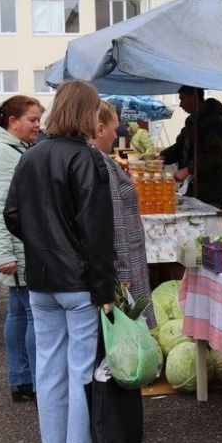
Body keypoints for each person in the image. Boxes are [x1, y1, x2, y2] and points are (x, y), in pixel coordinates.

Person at [4, 80, 116, 443]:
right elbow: (98, 232)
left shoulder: (30, 156)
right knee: (81, 375)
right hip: (79, 282)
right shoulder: (87, 159)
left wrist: (42, 244)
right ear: (88, 113)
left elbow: (12, 215)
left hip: (41, 280)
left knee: (49, 373)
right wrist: (105, 289)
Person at [0, 95, 43, 402]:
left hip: (20, 244)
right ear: (12, 122)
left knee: (18, 311)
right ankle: (37, 381)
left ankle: (23, 380)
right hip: (16, 248)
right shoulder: (2, 153)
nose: (37, 126)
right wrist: (3, 254)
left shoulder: (13, 148)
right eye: (32, 120)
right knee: (32, 315)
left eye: (39, 120)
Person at [92, 100, 156, 327]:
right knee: (131, 325)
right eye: (114, 129)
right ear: (99, 129)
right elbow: (116, 220)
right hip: (126, 258)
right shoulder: (101, 163)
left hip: (127, 257)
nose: (115, 135)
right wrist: (123, 273)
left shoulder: (99, 159)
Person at [159, 85, 222, 209]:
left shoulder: (214, 122)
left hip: (212, 191)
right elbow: (180, 146)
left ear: (194, 97)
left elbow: (215, 155)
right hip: (196, 189)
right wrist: (164, 157)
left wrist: (188, 169)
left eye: (182, 99)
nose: (180, 104)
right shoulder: (192, 121)